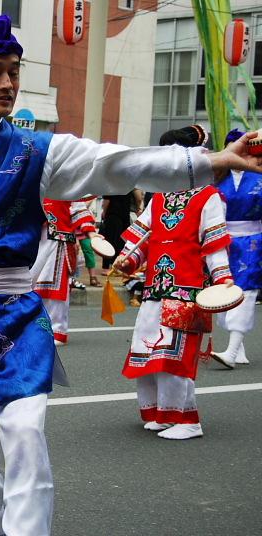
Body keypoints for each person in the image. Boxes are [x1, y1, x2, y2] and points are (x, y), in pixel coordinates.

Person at [0, 16, 262, 535]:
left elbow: (119, 163)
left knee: (25, 439)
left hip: (15, 318)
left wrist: (215, 159)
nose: (7, 84)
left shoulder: (36, 150)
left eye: (13, 72)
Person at [116, 125, 233, 441]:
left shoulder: (208, 196)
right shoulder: (161, 197)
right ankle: (162, 414)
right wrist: (128, 258)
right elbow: (143, 235)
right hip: (155, 288)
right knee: (149, 349)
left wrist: (223, 279)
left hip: (189, 289)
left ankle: (188, 420)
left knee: (176, 356)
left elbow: (214, 242)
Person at [211, 128, 262, 369]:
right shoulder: (217, 175)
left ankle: (231, 350)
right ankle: (237, 344)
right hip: (220, 237)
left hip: (253, 238)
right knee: (223, 289)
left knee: (247, 291)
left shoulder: (260, 174)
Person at [31, 199, 98, 346]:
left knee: (55, 289)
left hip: (58, 242)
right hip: (33, 242)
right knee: (30, 287)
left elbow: (78, 208)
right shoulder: (32, 182)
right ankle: (34, 329)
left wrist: (92, 235)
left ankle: (57, 330)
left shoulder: (65, 185)